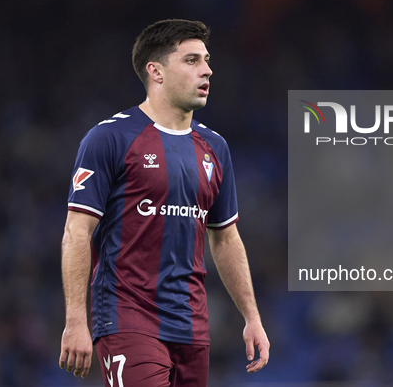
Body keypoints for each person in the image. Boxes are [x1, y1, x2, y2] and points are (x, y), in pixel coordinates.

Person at [58, 19, 270, 386]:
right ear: (155, 71)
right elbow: (77, 231)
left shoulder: (214, 148)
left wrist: (252, 316)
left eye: (206, 60)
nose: (207, 70)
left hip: (192, 327)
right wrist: (76, 320)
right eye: (191, 60)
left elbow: (225, 238)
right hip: (127, 319)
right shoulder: (110, 138)